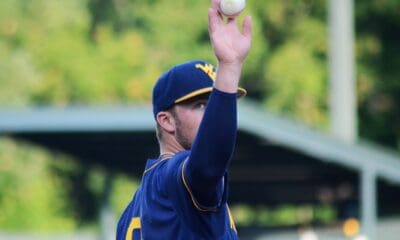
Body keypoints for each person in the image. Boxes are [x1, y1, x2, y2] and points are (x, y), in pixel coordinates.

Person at [116, 0, 251, 239]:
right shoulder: (177, 179)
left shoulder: (131, 212)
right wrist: (229, 68)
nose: (212, 116)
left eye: (215, 106)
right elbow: (207, 166)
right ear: (166, 121)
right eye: (200, 106)